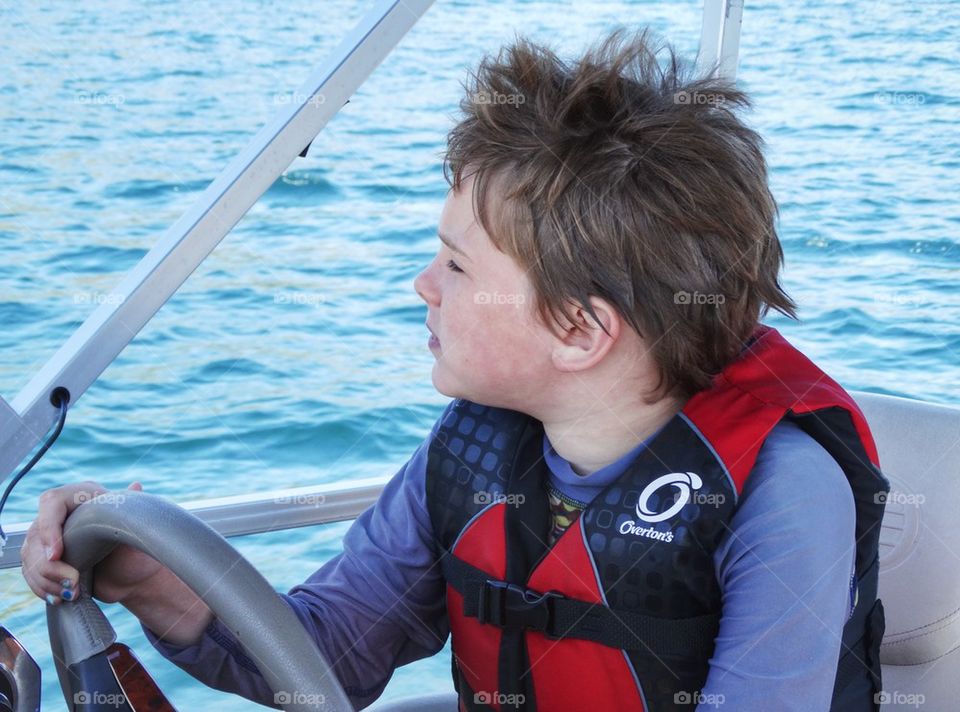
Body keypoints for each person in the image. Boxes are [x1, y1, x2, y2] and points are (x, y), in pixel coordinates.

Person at [21, 28, 889, 711]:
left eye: (459, 266)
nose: (423, 286)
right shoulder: (470, 454)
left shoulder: (785, 494)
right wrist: (155, 579)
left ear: (580, 330)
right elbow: (326, 659)